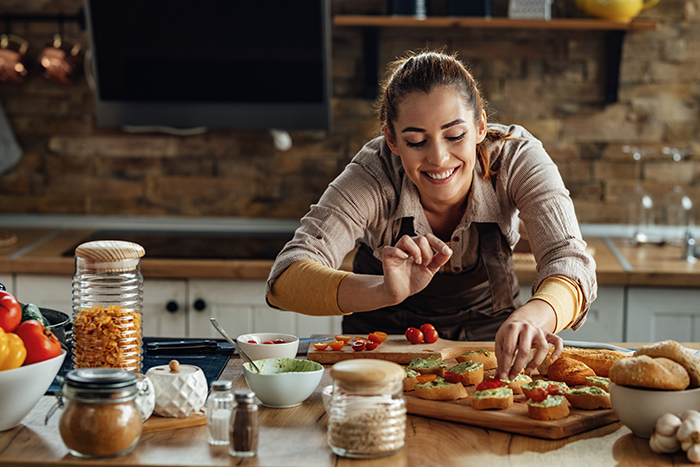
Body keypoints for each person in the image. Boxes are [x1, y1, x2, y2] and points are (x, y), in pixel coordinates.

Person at [265, 50, 597, 380]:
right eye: (416, 141)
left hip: (493, 347)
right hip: (381, 353)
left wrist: (535, 318)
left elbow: (569, 258)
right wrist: (383, 290)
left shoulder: (516, 159)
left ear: (480, 126)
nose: (438, 158)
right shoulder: (373, 174)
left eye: (455, 136)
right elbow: (285, 280)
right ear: (392, 141)